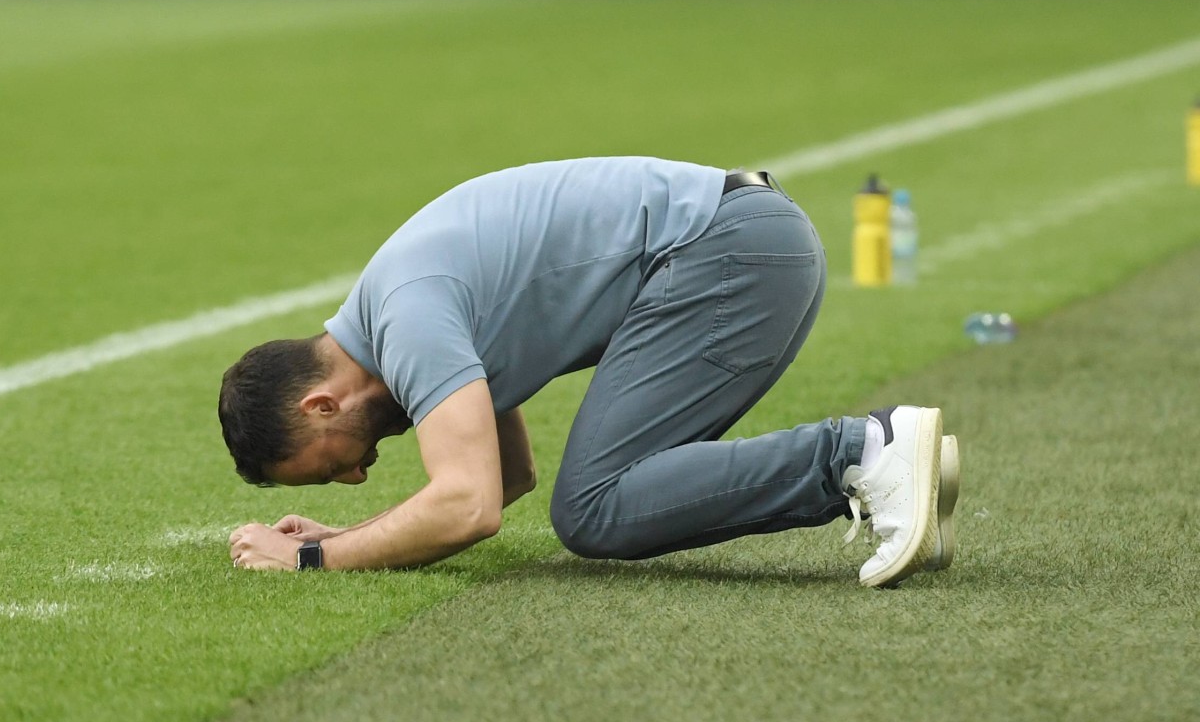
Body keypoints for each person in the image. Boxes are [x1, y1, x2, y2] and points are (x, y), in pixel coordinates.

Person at [219, 157, 960, 588]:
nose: (353, 477)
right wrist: (360, 531)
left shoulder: (406, 317)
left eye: (327, 469)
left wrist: (313, 556)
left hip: (727, 253)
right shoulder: (401, 315)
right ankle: (891, 470)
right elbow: (506, 477)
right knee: (597, 500)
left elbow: (470, 506)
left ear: (321, 404)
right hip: (745, 244)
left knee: (594, 508)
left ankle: (865, 452)